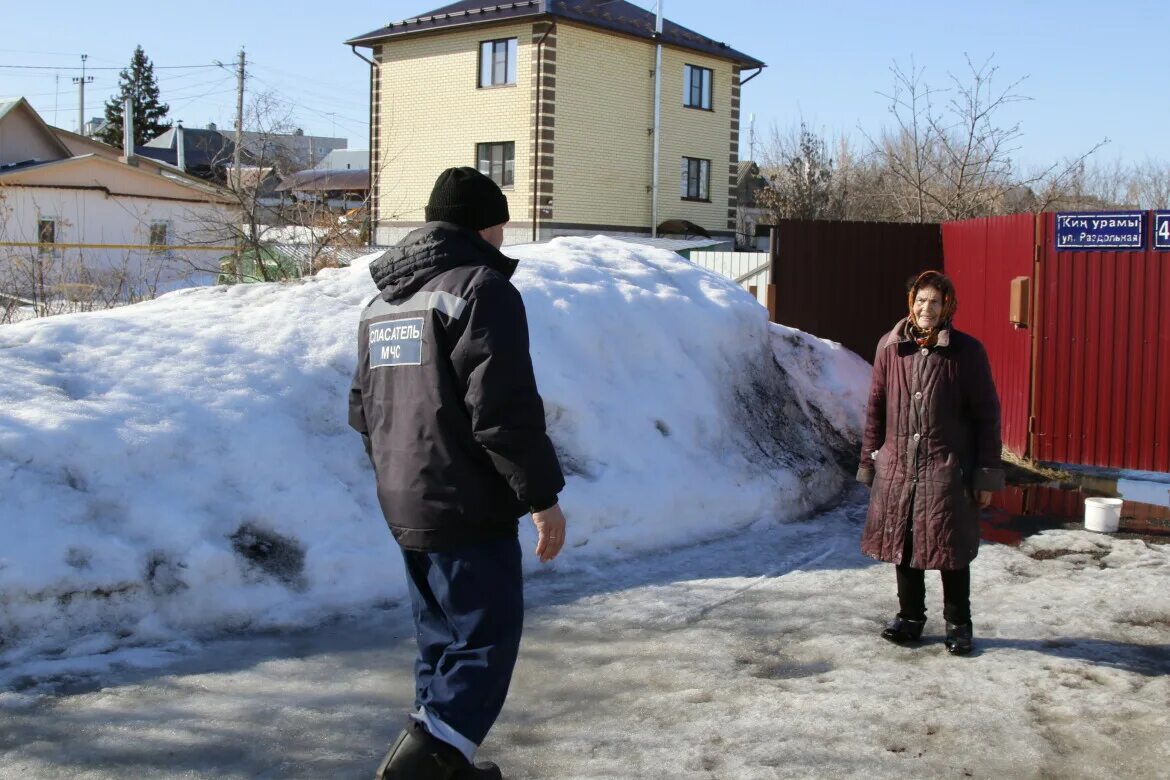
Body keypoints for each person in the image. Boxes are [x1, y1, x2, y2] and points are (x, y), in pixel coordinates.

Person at [349, 166, 568, 779]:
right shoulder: (481, 290)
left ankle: (447, 768)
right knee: (485, 640)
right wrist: (541, 496)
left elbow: (362, 411)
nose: (504, 240)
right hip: (466, 502)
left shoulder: (381, 304)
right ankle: (421, 765)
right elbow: (501, 408)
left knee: (441, 643)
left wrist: (401, 476)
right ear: (485, 224)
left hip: (406, 501)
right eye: (500, 226)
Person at [856, 270, 1003, 656]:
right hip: (899, 466)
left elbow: (987, 415)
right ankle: (910, 618)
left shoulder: (967, 352)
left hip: (946, 468)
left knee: (948, 548)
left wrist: (986, 476)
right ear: (911, 303)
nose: (926, 308)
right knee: (903, 546)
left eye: (935, 302)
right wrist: (869, 462)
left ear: (947, 307)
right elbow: (876, 408)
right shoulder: (890, 347)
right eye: (921, 300)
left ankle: (959, 624)